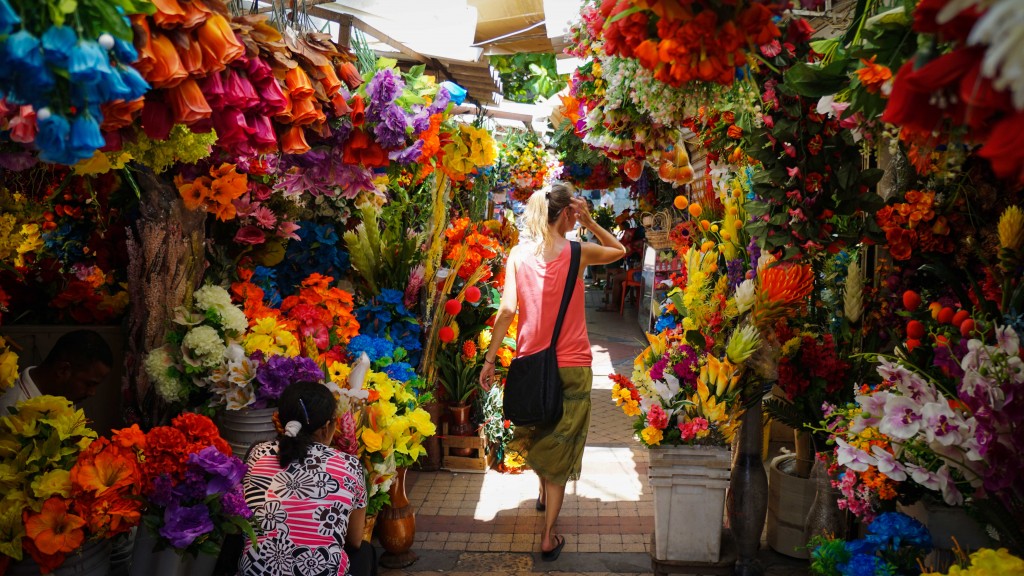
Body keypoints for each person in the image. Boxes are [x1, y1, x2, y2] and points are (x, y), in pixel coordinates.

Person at [478, 182, 626, 561]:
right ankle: (548, 536)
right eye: (574, 213)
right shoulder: (578, 253)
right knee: (562, 441)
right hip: (573, 365)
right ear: (567, 214)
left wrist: (491, 359)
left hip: (531, 364)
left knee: (541, 429)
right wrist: (591, 222)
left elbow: (507, 310)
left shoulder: (517, 254)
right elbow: (619, 250)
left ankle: (543, 495)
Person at [240, 381, 373, 576]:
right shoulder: (349, 465)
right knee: (366, 553)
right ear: (326, 427)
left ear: (279, 420)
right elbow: (354, 540)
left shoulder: (257, 454)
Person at [0, 329, 113, 414]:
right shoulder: (10, 409)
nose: (92, 393)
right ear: (63, 370)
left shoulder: (63, 394)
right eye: (89, 384)